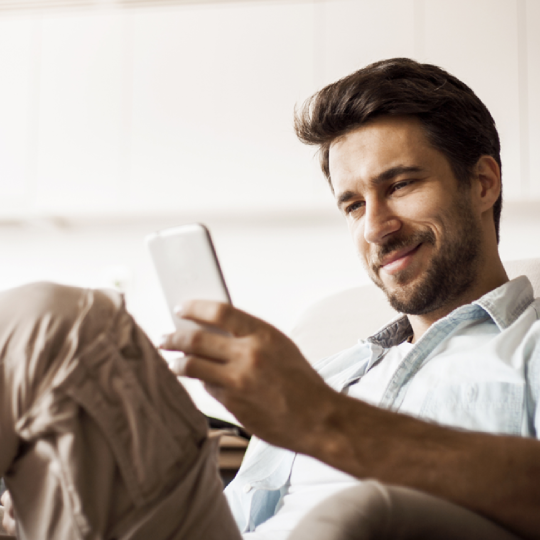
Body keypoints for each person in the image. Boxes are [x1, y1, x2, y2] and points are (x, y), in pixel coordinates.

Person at [1, 57, 540, 540]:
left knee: (62, 324)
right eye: (353, 205)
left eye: (400, 185)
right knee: (49, 330)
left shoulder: (529, 348)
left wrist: (321, 418)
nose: (375, 227)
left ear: (484, 181)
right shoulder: (331, 373)